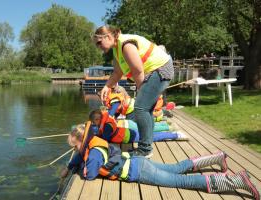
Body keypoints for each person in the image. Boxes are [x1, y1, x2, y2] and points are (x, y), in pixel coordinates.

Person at [60, 123, 259, 200]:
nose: (74, 151)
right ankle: (216, 157)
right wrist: (70, 165)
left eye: (74, 147)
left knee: (181, 181)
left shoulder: (93, 155)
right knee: (175, 168)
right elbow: (80, 154)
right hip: (138, 162)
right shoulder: (93, 143)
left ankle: (237, 181)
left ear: (82, 141)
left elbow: (90, 175)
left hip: (138, 172)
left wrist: (77, 169)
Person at [93, 25, 175, 157]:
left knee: (141, 108)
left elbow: (138, 71)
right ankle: (146, 146)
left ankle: (145, 149)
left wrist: (141, 91)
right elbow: (118, 72)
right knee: (145, 109)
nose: (98, 46)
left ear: (108, 37)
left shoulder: (126, 45)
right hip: (153, 72)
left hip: (161, 69)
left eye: (99, 42)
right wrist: (107, 86)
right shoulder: (117, 49)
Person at [88, 109, 187, 144]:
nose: (95, 123)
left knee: (152, 137)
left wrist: (92, 137)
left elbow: (105, 139)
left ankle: (175, 135)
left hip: (131, 136)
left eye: (95, 121)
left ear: (98, 119)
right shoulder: (105, 123)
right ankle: (171, 133)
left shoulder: (106, 127)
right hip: (129, 132)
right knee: (151, 134)